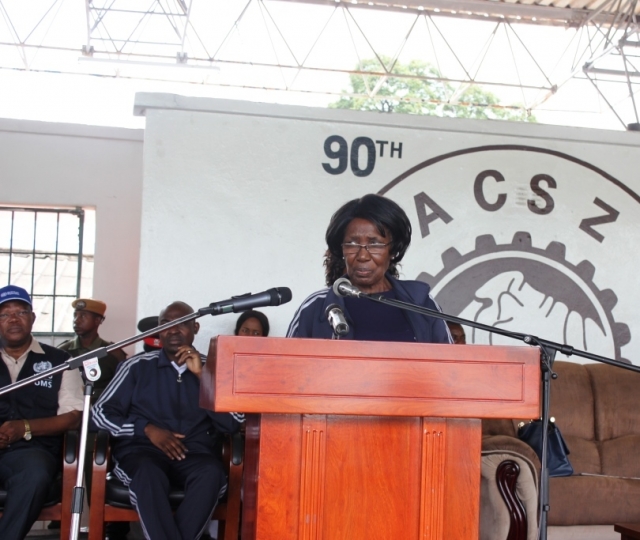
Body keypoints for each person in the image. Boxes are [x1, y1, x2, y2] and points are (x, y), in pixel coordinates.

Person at [92, 301, 244, 540]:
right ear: (159, 331)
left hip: (195, 454)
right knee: (149, 475)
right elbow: (99, 414)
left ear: (195, 327)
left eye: (181, 323)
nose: (173, 330)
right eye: (166, 324)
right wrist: (146, 429)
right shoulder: (135, 367)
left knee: (211, 475)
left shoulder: (215, 368)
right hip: (142, 452)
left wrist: (202, 376)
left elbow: (234, 422)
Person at [287, 194, 452, 343]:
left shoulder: (421, 303)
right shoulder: (316, 307)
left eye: (375, 244)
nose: (363, 256)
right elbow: (285, 369)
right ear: (341, 249)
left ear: (393, 250)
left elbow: (451, 368)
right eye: (352, 243)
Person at [0, 285, 83, 539]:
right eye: (5, 314)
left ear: (33, 318)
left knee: (35, 474)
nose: (14, 319)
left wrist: (24, 427)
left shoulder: (60, 360)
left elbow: (73, 416)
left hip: (33, 451)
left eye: (21, 312)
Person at [59, 298, 126, 400]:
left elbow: (123, 388)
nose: (76, 320)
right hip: (69, 410)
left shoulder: (113, 353)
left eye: (83, 316)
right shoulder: (62, 351)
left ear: (97, 320)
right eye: (75, 315)